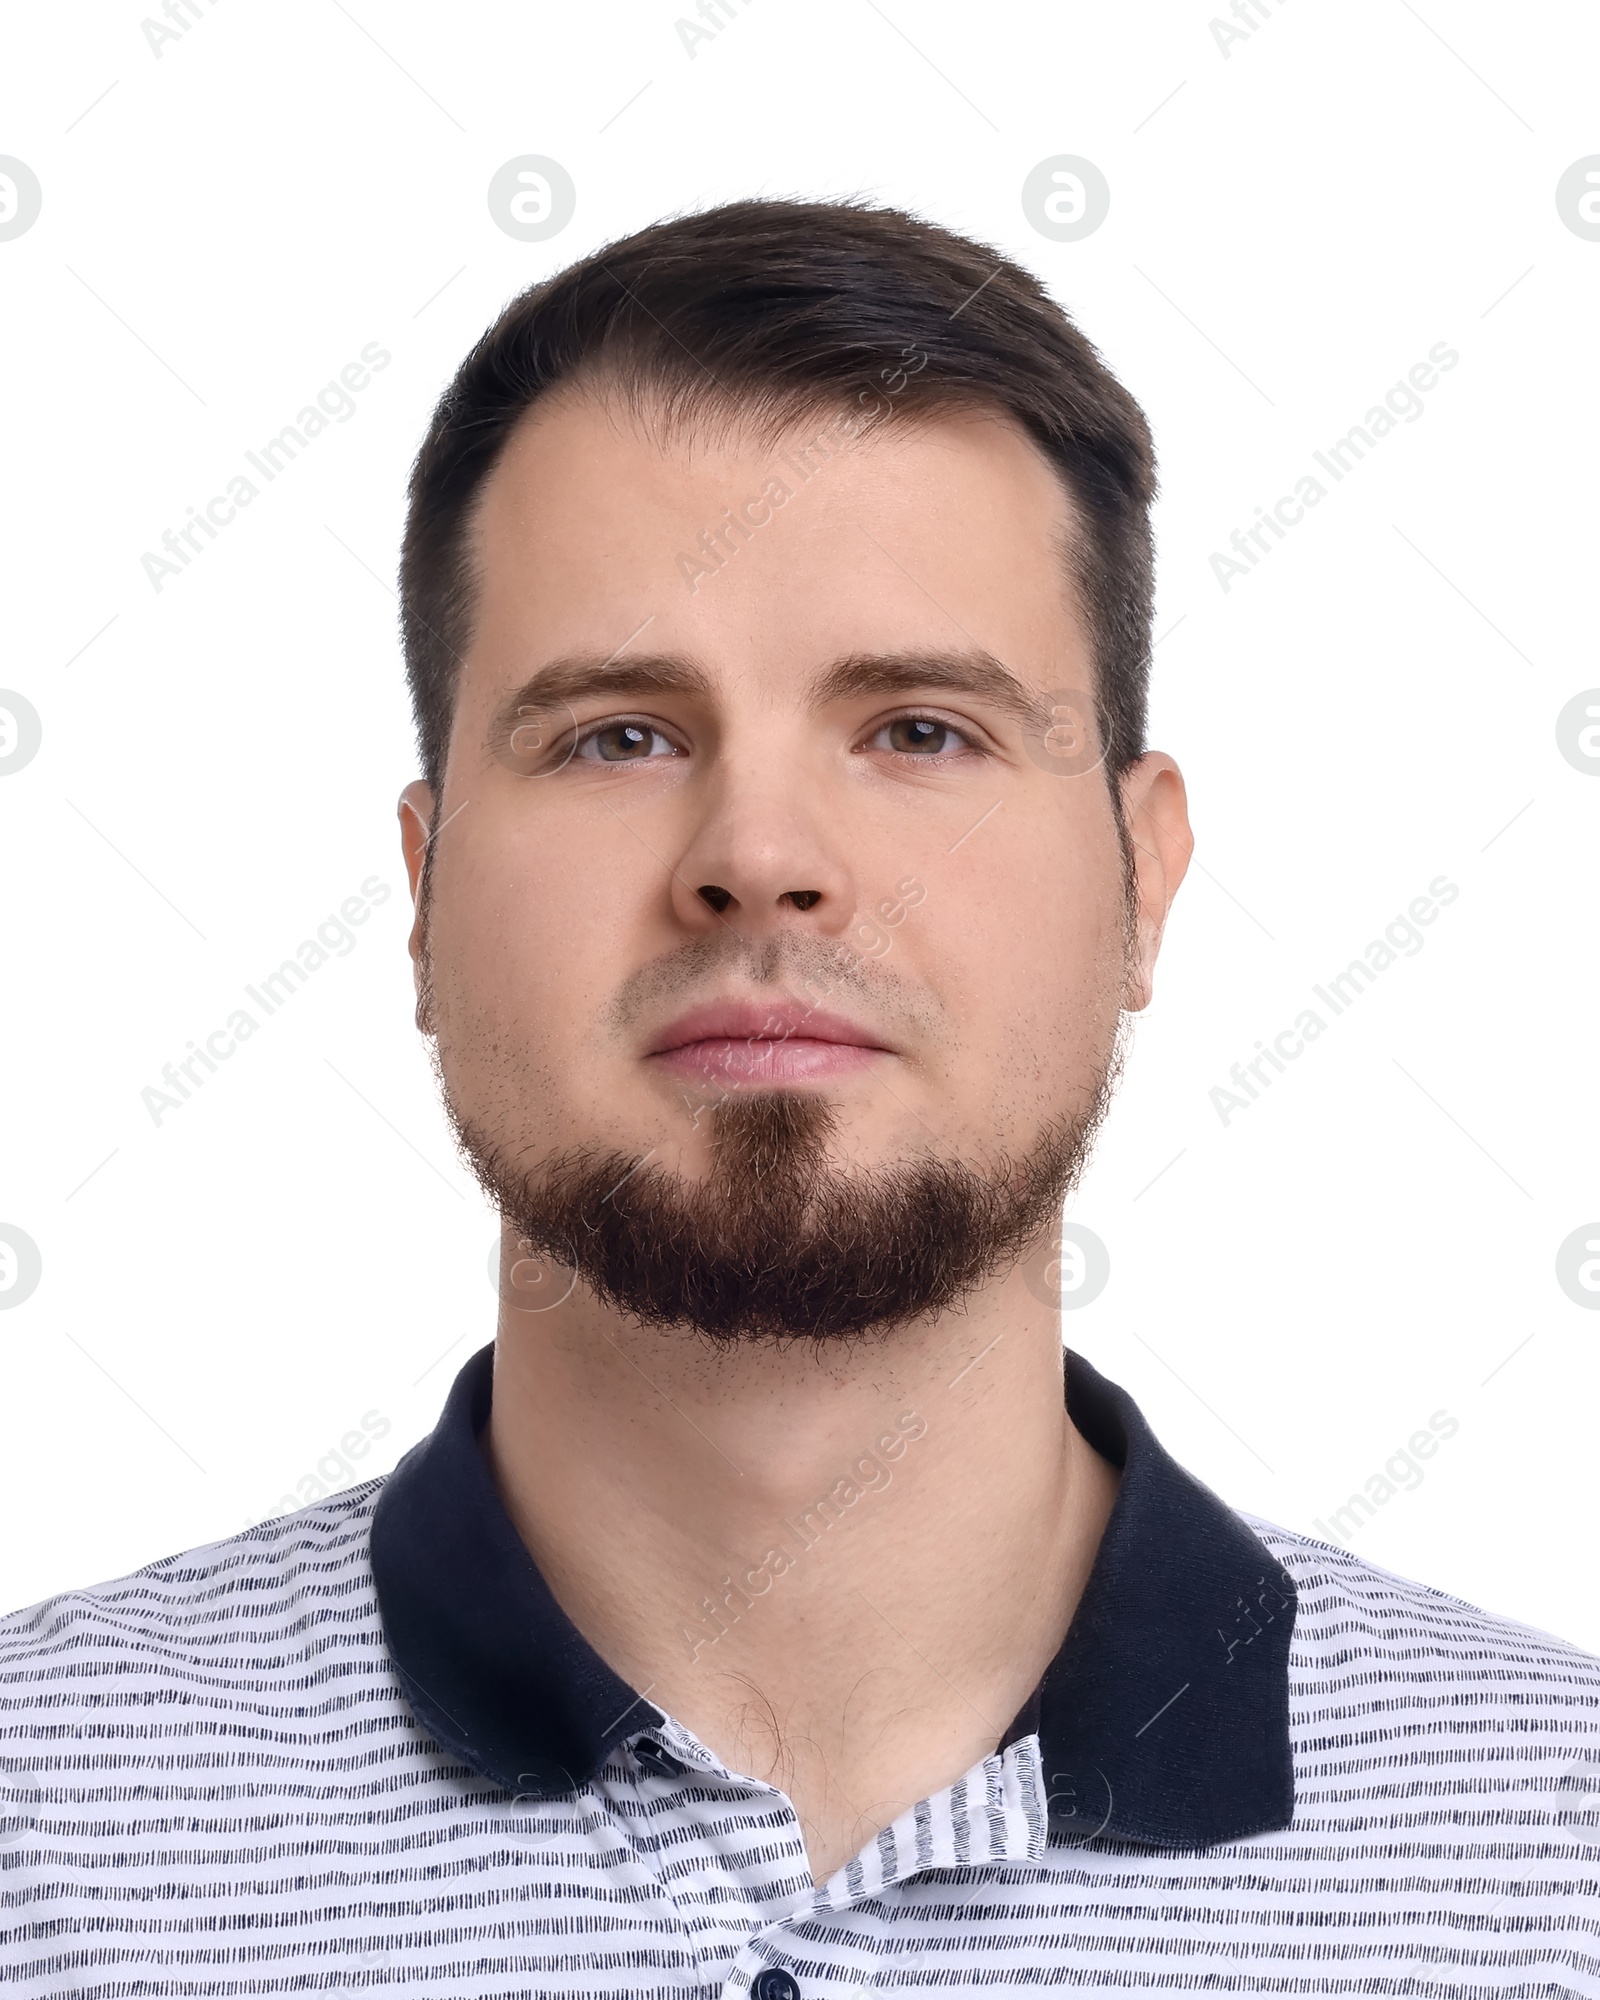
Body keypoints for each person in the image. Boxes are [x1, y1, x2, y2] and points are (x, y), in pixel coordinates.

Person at [3, 198, 1594, 1996]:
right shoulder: (31, 1840)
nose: (760, 859)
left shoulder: (1564, 1859)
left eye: (922, 728)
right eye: (619, 734)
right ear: (426, 893)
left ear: (1143, 883)